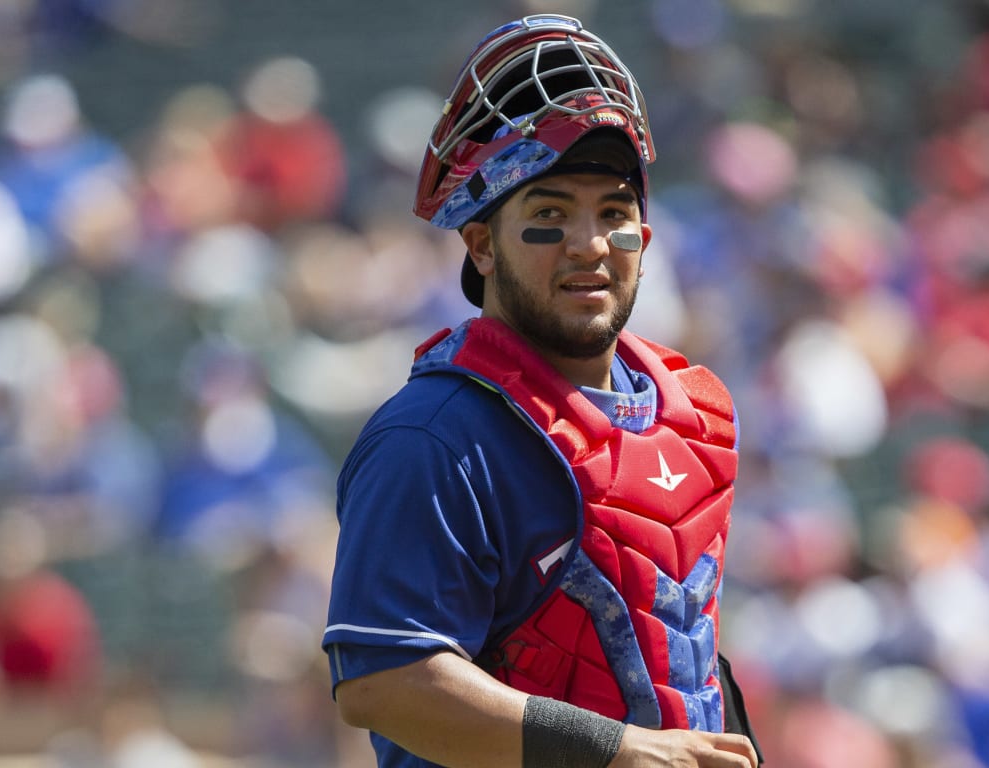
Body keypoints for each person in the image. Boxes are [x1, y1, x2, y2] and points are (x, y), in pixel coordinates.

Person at [320, 14, 762, 768]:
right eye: (550, 214)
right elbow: (384, 682)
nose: (590, 244)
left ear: (645, 245)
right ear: (483, 243)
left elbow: (679, 651)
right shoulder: (434, 436)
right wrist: (618, 753)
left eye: (615, 214)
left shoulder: (696, 412)